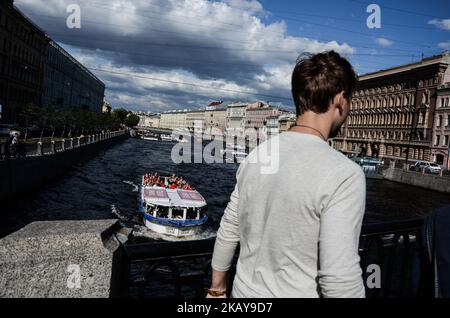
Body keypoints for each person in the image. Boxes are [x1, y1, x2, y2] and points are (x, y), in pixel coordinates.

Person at [208, 51, 366, 298]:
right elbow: (339, 280)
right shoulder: (345, 174)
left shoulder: (256, 156)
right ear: (340, 99)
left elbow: (229, 228)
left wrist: (217, 290)